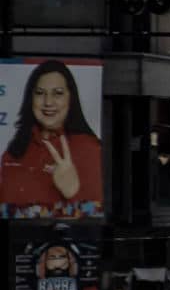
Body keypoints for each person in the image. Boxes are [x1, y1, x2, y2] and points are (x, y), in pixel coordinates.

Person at [0, 61, 105, 218]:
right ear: (31, 99)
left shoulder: (91, 149)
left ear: (71, 98)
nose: (48, 102)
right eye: (40, 93)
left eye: (58, 93)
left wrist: (73, 192)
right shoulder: (14, 151)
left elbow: (96, 223)